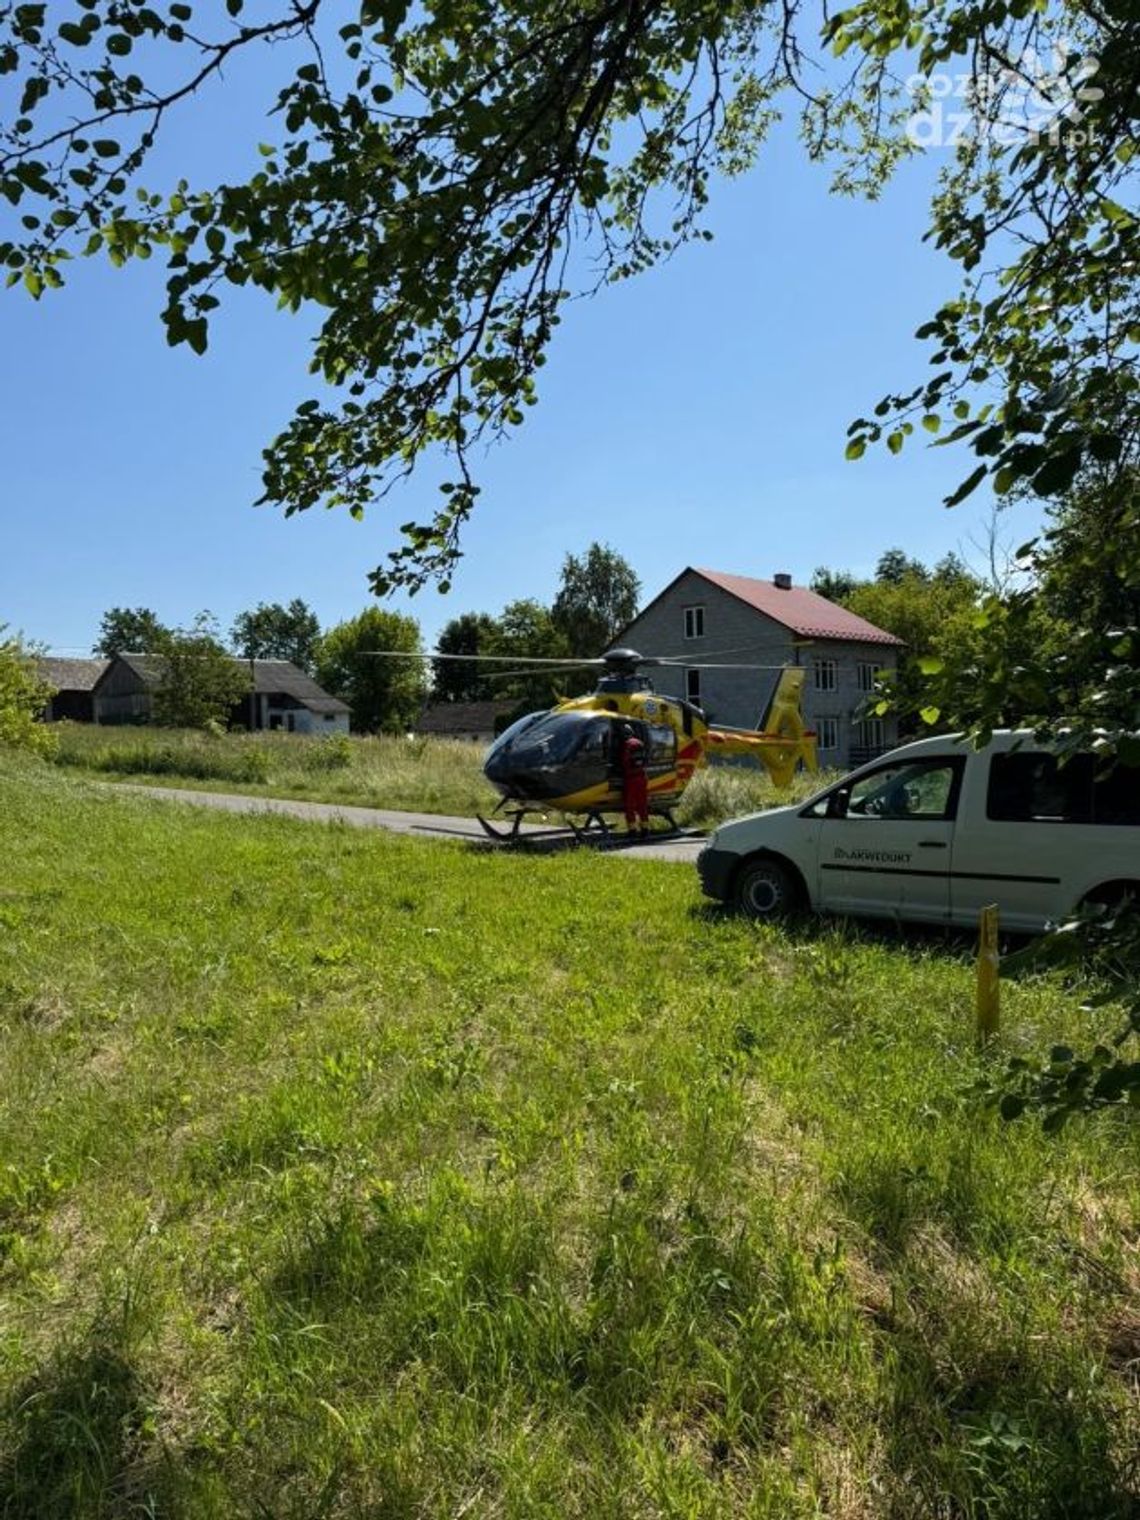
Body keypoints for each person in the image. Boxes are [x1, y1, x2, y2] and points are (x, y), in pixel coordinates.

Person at [619, 724, 650, 838]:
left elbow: (625, 761)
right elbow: (646, 758)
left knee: (630, 805)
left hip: (631, 779)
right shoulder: (640, 743)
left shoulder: (627, 745)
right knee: (642, 804)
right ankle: (645, 829)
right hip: (642, 777)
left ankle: (632, 830)